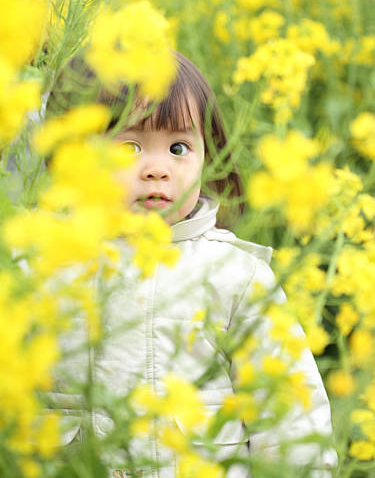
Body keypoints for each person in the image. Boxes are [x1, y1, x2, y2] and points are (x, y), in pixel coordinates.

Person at [46, 51, 337, 477]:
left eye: (179, 148)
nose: (158, 170)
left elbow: (290, 418)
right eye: (130, 146)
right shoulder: (40, 263)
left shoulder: (237, 274)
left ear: (207, 155)